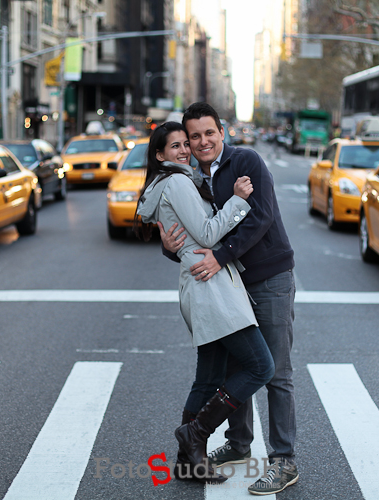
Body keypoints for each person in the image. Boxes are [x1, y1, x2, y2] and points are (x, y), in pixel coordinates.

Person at [158, 102, 298, 495]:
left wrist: (220, 256)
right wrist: (169, 247)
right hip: (228, 285)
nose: (202, 142)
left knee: (275, 372)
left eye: (209, 133)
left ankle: (284, 460)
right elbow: (194, 231)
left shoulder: (246, 161)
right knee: (240, 368)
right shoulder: (190, 178)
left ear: (222, 132)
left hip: (269, 278)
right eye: (194, 137)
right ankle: (238, 444)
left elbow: (261, 216)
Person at [134, 122, 275, 484]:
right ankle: (195, 434)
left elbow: (188, 235)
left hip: (197, 282)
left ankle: (187, 462)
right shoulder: (178, 182)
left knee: (209, 377)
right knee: (261, 366)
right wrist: (238, 200)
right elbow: (208, 234)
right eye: (176, 146)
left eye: (186, 143)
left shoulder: (168, 182)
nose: (185, 150)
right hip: (210, 285)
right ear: (160, 154)